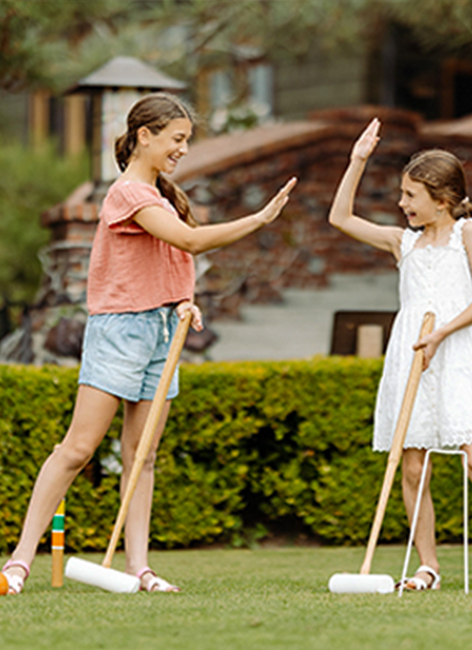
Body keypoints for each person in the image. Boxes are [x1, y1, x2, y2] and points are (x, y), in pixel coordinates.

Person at [1, 93, 297, 594]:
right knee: (77, 448)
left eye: (186, 140)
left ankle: (139, 568)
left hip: (162, 328)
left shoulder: (160, 196)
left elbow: (169, 261)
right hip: (119, 330)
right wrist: (259, 219)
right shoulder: (126, 195)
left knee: (144, 454)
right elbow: (190, 242)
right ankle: (19, 562)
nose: (183, 149)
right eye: (177, 139)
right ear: (145, 136)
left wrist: (184, 299)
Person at [328, 119, 472, 592]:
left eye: (411, 196)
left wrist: (443, 333)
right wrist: (357, 160)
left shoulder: (467, 233)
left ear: (442, 199)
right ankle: (428, 565)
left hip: (457, 353)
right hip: (412, 354)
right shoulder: (403, 241)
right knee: (413, 465)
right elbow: (340, 218)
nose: (401, 204)